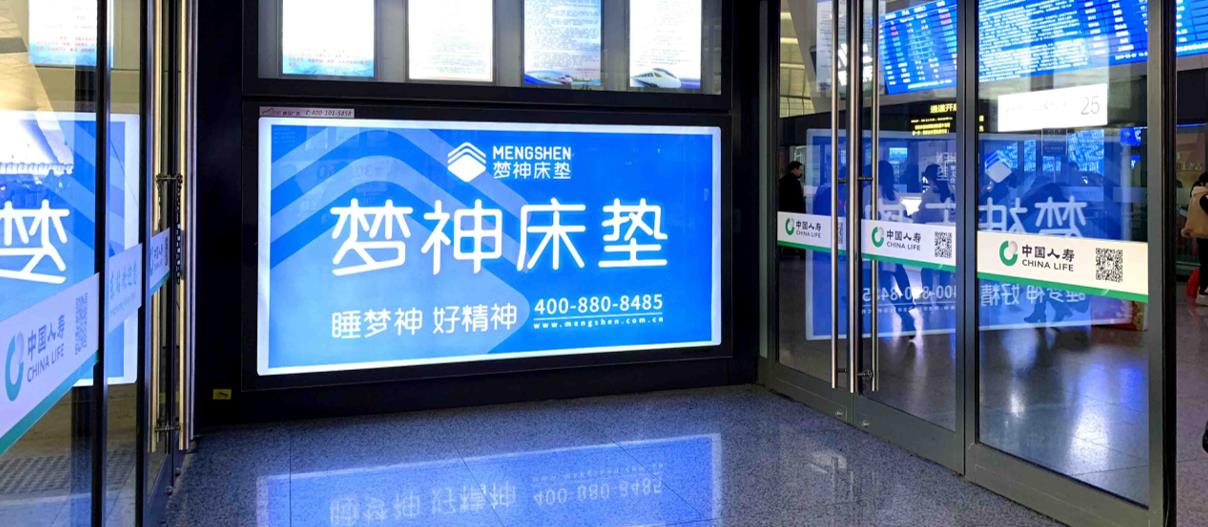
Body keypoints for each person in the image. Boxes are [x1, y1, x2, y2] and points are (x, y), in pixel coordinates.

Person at [1182, 172, 1208, 306]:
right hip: (1205, 235)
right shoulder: (1204, 197)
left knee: (1205, 264)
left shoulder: (1195, 195)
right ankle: (1204, 292)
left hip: (1200, 235)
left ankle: (1203, 291)